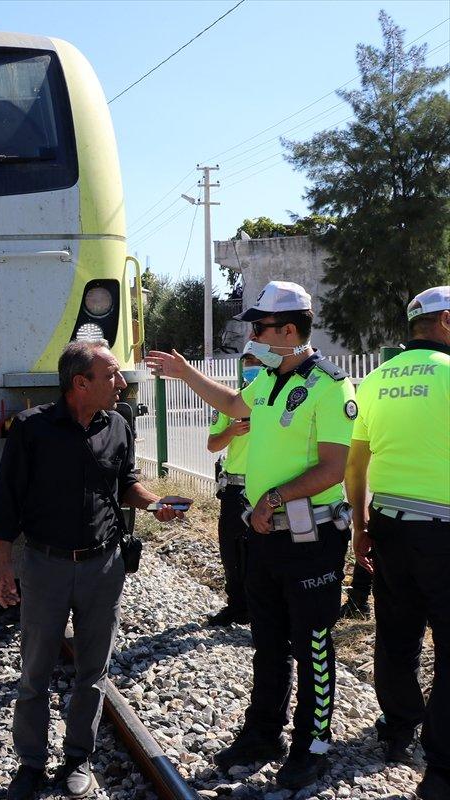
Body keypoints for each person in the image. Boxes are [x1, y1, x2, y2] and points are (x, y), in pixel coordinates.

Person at [146, 280, 357, 790]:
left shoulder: (331, 386)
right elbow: (235, 405)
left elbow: (333, 468)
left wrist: (275, 499)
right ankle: (263, 734)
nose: (253, 336)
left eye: (259, 327)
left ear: (289, 330)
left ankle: (313, 745)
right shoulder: (267, 380)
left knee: (313, 644)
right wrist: (185, 372)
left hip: (311, 538)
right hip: (265, 535)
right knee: (267, 642)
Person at [0, 340, 189, 799]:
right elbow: (6, 503)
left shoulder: (118, 425)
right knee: (34, 674)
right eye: (112, 376)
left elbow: (126, 483)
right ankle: (31, 765)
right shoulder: (31, 429)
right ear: (80, 383)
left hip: (103, 567)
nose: (121, 383)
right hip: (45, 567)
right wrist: (5, 567)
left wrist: (154, 503)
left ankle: (78, 758)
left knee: (93, 673)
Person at [344, 285, 450, 800]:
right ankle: (443, 765)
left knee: (398, 635)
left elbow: (355, 464)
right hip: (444, 530)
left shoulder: (376, 380)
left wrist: (361, 527)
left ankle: (398, 730)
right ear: (446, 322)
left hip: (387, 525)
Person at [204, 354, 262, 627]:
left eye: (256, 365)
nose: (251, 370)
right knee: (231, 552)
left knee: (260, 555)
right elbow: (213, 445)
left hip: (264, 488)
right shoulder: (229, 403)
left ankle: (259, 610)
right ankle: (236, 606)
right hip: (235, 488)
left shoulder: (276, 401)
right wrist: (231, 431)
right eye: (247, 364)